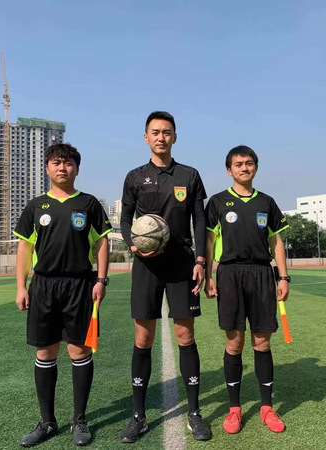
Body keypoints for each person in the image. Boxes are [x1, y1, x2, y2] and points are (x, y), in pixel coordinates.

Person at [119, 111, 211, 443]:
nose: (161, 137)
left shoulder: (190, 175)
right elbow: (125, 219)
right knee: (143, 339)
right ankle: (138, 416)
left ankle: (195, 413)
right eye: (155, 132)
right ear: (146, 137)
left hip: (182, 264)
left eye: (167, 132)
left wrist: (201, 259)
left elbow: (199, 220)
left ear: (174, 137)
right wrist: (133, 245)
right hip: (146, 266)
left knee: (185, 336)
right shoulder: (134, 177)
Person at [14, 143, 112, 447]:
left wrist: (101, 279)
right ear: (47, 168)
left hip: (80, 285)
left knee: (79, 351)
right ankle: (47, 422)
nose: (62, 167)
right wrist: (21, 286)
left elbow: (102, 242)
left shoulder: (88, 203)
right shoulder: (35, 206)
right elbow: (25, 247)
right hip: (43, 285)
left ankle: (79, 420)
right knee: (45, 353)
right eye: (56, 162)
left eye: (68, 163)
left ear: (77, 169)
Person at [204, 145, 290, 434]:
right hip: (229, 274)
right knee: (234, 344)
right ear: (229, 170)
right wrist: (208, 275)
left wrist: (283, 277)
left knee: (262, 343)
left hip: (262, 274)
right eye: (238, 164)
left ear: (256, 167)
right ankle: (234, 409)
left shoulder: (267, 202)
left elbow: (277, 242)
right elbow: (208, 241)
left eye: (249, 163)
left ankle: (267, 408)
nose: (244, 168)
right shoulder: (217, 202)